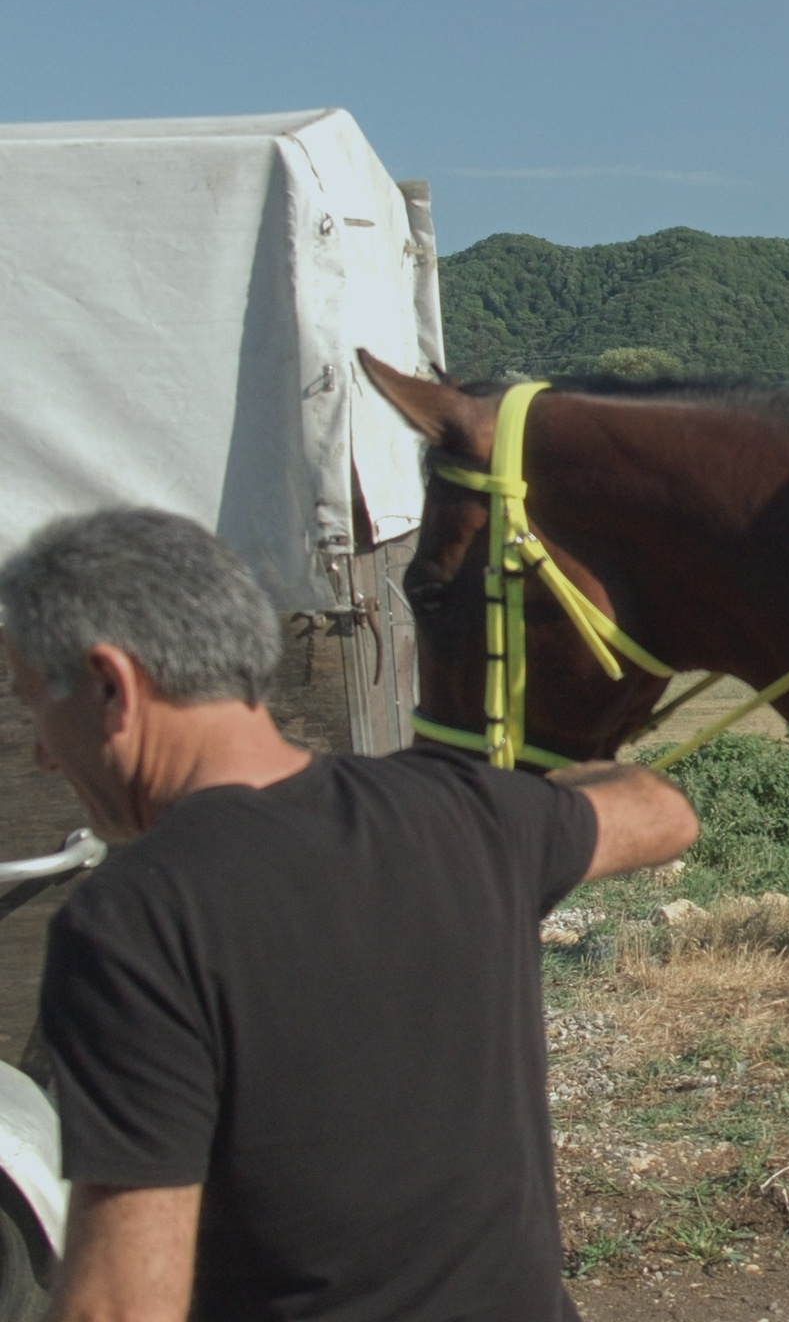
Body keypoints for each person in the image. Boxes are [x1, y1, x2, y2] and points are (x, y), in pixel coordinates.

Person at [0, 508, 698, 1321]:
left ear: (112, 684)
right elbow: (661, 810)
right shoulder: (465, 815)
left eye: (30, 702)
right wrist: (516, 805)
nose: (43, 750)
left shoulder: (134, 919)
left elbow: (117, 1307)